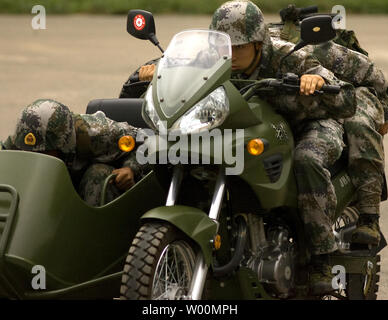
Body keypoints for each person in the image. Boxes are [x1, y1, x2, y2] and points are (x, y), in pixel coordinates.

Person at [123, 0, 357, 295]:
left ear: (258, 44)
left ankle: (321, 258)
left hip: (309, 121)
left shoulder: (288, 56)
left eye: (240, 47)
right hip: (252, 121)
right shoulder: (209, 55)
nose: (230, 54)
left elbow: (347, 99)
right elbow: (173, 73)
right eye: (225, 47)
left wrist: (316, 80)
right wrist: (154, 71)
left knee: (306, 159)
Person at [268, 24, 388, 245]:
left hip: (355, 92)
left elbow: (375, 77)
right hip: (316, 100)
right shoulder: (254, 56)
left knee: (358, 126)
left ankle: (369, 217)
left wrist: (385, 116)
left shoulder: (322, 52)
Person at [0, 99, 145, 206]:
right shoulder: (19, 141)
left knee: (98, 173)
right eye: (29, 153)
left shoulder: (99, 133)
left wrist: (130, 168)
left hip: (88, 189)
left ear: (65, 143)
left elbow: (150, 142)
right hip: (51, 191)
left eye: (46, 151)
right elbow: (1, 164)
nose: (37, 157)